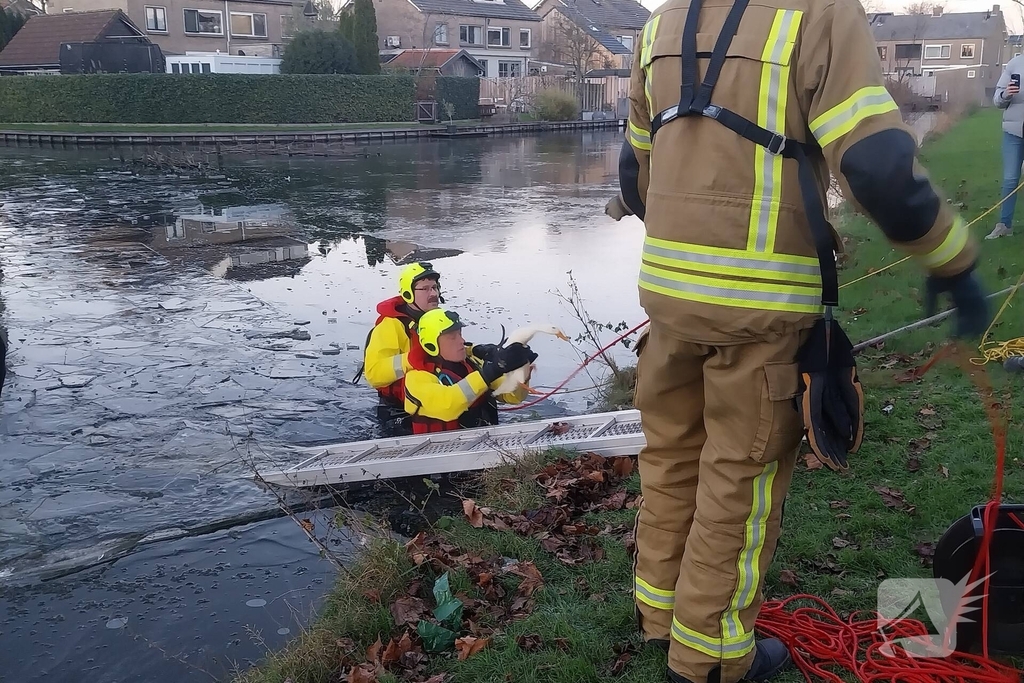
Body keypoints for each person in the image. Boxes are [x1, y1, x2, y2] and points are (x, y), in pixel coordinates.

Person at [611, 0, 991, 682]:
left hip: (667, 299)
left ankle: (659, 617)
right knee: (738, 479)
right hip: (760, 310)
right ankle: (709, 659)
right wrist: (953, 257)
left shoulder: (662, 23)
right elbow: (875, 166)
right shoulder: (818, 13)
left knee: (669, 460)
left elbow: (632, 174)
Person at [403, 308, 536, 433]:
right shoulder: (416, 378)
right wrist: (490, 372)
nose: (462, 340)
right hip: (439, 451)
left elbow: (512, 397)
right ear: (430, 344)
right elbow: (448, 405)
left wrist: (520, 371)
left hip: (482, 443)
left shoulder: (472, 364)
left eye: (460, 334)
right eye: (452, 337)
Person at [360, 261, 443, 436]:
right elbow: (374, 374)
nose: (433, 293)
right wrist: (409, 360)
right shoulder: (390, 326)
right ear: (408, 293)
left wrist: (475, 352)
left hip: (434, 398)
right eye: (426, 289)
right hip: (399, 409)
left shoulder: (438, 320)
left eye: (435, 287)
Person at [990, 57, 1024, 239]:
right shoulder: (1014, 64)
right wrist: (1006, 94)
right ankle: (1004, 225)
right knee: (1010, 179)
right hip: (1013, 133)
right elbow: (997, 100)